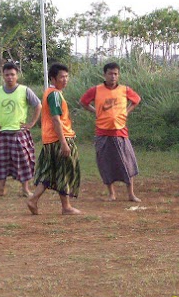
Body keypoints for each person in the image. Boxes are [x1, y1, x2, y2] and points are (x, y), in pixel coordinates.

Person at [80, 62, 141, 202]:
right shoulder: (96, 90)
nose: (113, 76)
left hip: (121, 132)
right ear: (104, 74)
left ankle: (131, 194)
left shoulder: (125, 90)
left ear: (118, 75)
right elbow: (83, 102)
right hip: (103, 133)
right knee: (106, 164)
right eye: (110, 73)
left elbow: (136, 100)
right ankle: (111, 194)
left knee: (128, 164)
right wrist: (95, 111)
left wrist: (126, 112)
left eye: (115, 74)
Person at [27, 63, 82, 215]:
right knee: (64, 171)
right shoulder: (55, 95)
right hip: (59, 138)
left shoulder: (50, 92)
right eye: (61, 77)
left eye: (66, 76)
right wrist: (64, 142)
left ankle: (33, 199)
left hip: (50, 139)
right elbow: (56, 119)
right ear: (53, 78)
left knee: (50, 172)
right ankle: (66, 207)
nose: (65, 80)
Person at [0, 62, 41, 197]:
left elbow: (38, 105)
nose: (10, 77)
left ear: (17, 75)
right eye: (7, 74)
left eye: (12, 74)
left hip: (19, 133)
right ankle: (1, 189)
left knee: (23, 161)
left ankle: (25, 189)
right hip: (1, 133)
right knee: (1, 161)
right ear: (3, 75)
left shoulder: (24, 90)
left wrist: (32, 123)